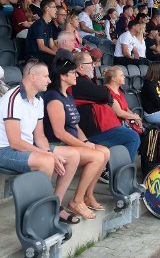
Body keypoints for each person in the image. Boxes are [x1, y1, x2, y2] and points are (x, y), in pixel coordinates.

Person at [0, 59, 83, 224]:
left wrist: (48, 152)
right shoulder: (13, 98)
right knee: (46, 161)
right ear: (32, 77)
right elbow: (15, 142)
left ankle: (55, 206)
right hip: (2, 150)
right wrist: (49, 156)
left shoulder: (38, 100)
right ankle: (41, 215)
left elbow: (39, 137)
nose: (50, 80)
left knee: (73, 155)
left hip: (24, 147)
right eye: (45, 76)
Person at [43, 58, 110, 219]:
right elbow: (59, 133)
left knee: (105, 152)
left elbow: (76, 126)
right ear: (63, 76)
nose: (76, 75)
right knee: (96, 156)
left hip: (71, 143)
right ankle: (76, 200)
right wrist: (84, 146)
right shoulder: (53, 97)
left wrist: (87, 142)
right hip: (57, 143)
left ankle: (88, 195)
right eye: (73, 72)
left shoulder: (67, 96)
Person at [71, 52, 141, 163]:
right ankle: (121, 173)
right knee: (132, 137)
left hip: (104, 126)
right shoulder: (78, 81)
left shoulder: (86, 80)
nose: (93, 65)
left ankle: (118, 170)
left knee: (134, 135)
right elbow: (104, 94)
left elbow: (103, 96)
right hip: (94, 130)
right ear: (81, 66)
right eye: (90, 63)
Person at [102, 66, 143, 132]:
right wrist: (135, 117)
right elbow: (119, 113)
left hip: (123, 122)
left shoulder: (118, 91)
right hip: (114, 126)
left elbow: (126, 108)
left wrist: (135, 118)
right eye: (121, 75)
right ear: (113, 78)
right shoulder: (108, 92)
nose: (124, 77)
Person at [25, 0, 58, 66]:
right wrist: (56, 54)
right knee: (56, 62)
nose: (56, 10)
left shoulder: (48, 25)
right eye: (54, 7)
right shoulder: (39, 24)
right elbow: (41, 47)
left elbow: (52, 45)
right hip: (34, 56)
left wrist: (61, 52)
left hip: (43, 55)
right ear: (47, 9)